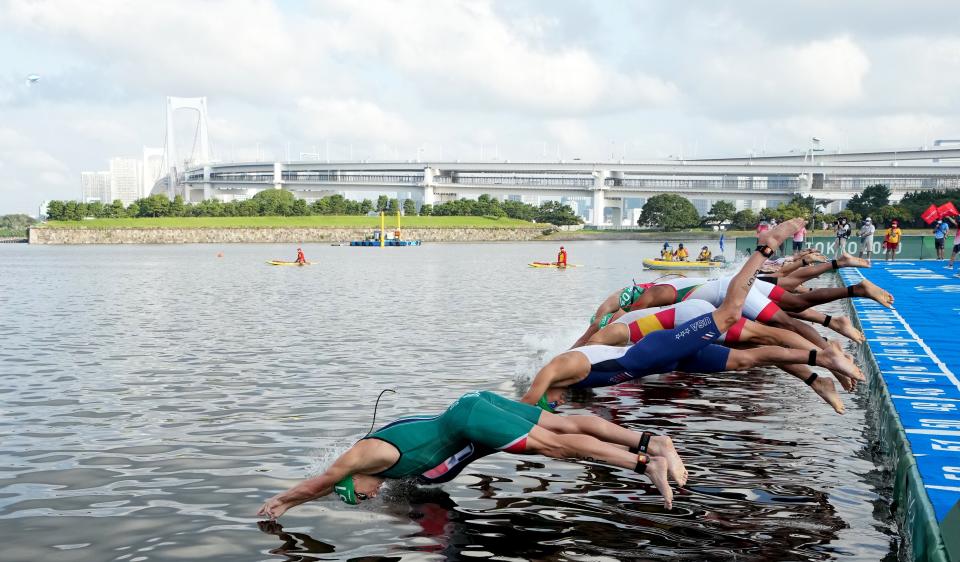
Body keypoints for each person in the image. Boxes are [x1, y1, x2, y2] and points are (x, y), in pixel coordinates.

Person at [522, 219, 863, 413]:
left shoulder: (576, 355)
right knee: (751, 356)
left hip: (672, 333)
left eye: (555, 402)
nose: (560, 403)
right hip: (668, 356)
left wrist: (534, 399)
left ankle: (766, 246)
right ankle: (819, 370)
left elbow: (533, 398)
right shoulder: (582, 371)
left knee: (755, 321)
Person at [256, 390, 687, 517]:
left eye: (357, 494)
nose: (367, 498)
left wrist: (282, 502)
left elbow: (322, 481)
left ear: (354, 478)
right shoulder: (389, 472)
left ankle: (644, 463)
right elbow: (326, 485)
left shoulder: (365, 455)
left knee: (554, 445)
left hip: (470, 421)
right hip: (471, 407)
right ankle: (651, 442)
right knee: (564, 425)